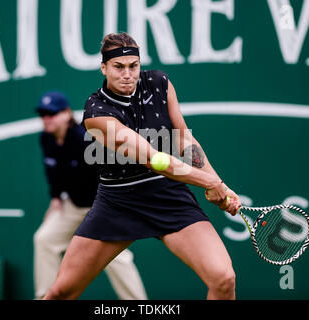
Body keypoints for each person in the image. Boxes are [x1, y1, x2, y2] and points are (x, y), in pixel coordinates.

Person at [44, 32, 241, 300]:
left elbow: (183, 138)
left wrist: (220, 183)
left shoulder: (160, 83)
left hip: (169, 197)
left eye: (133, 66)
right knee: (60, 292)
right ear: (104, 68)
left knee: (224, 278)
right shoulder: (96, 112)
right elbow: (153, 159)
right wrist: (209, 183)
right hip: (118, 203)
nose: (127, 74)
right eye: (118, 67)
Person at [33, 90, 148, 300]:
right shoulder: (46, 139)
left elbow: (114, 170)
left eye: (52, 113)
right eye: (43, 114)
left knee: (116, 257)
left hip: (103, 206)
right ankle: (45, 297)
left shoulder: (85, 139)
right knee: (44, 239)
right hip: (74, 206)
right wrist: (56, 198)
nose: (46, 119)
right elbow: (53, 171)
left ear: (67, 114)